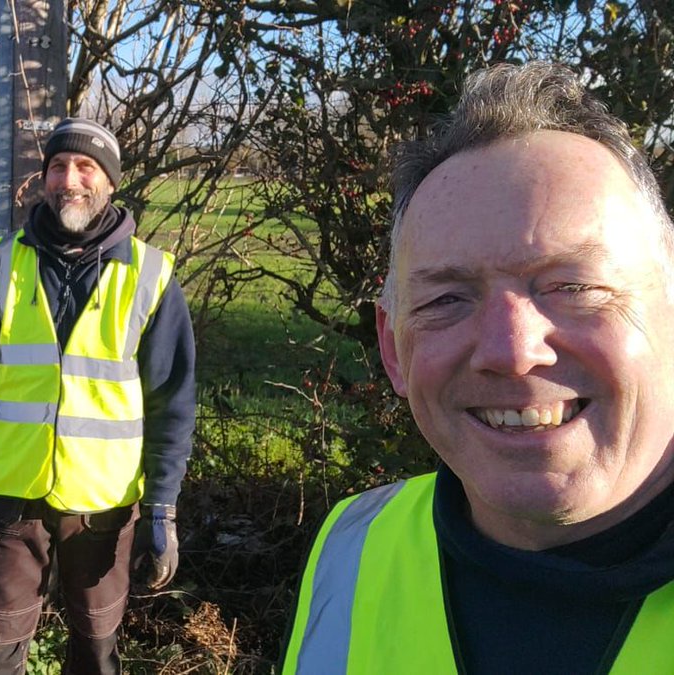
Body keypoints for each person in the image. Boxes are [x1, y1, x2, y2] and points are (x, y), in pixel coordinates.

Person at [282, 61, 674, 674]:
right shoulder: (352, 547)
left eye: (573, 286)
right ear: (394, 350)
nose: (512, 350)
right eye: (445, 300)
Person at [0, 117, 197, 673]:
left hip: (103, 506)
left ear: (109, 182)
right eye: (58, 166)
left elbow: (172, 403)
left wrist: (162, 504)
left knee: (96, 651)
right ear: (44, 178)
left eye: (86, 166)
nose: (70, 179)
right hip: (10, 495)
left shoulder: (150, 275)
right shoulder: (2, 264)